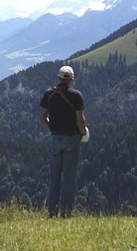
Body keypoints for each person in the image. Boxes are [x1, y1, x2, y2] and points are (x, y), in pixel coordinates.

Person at [39, 65, 87, 218]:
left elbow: (42, 118)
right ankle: (66, 213)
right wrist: (83, 133)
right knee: (69, 177)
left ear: (59, 78)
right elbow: (81, 120)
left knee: (55, 176)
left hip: (55, 138)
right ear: (71, 79)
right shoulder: (76, 95)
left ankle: (51, 212)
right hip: (72, 138)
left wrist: (52, 128)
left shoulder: (49, 94)